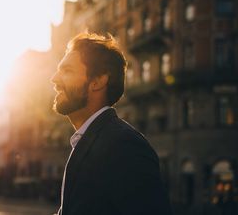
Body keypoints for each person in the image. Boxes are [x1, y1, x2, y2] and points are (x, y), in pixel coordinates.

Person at [51, 32, 172, 215]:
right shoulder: (90, 140)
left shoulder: (124, 145)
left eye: (67, 71)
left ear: (98, 81)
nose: (55, 79)